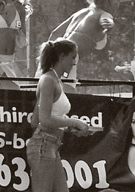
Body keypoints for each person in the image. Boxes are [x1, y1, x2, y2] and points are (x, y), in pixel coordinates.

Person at [26, 38, 90, 192]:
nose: (74, 62)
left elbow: (35, 120)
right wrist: (73, 122)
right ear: (62, 56)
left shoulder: (54, 80)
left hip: (50, 145)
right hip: (43, 145)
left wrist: (69, 128)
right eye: (73, 57)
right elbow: (44, 119)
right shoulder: (48, 80)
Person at [47, 0, 121, 78]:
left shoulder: (80, 13)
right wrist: (110, 24)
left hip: (52, 54)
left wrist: (45, 55)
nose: (118, 4)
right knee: (67, 89)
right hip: (67, 58)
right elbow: (106, 20)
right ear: (109, 1)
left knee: (46, 86)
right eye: (118, 0)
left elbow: (55, 33)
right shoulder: (104, 14)